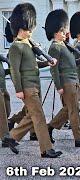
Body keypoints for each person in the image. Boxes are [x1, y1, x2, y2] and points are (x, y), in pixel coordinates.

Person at [2, 3, 62, 158]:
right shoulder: (16, 47)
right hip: (27, 87)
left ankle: (11, 137)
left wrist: (47, 63)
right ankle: (46, 149)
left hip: (35, 84)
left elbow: (33, 65)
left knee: (32, 115)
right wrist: (18, 90)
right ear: (24, 25)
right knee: (39, 116)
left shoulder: (29, 44)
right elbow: (15, 70)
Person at [44, 9, 80, 148]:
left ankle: (49, 127)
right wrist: (59, 86)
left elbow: (71, 64)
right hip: (66, 82)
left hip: (73, 80)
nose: (65, 33)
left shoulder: (64, 46)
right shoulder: (54, 48)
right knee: (74, 110)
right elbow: (54, 68)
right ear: (55, 32)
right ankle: (79, 139)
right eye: (62, 31)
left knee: (69, 109)